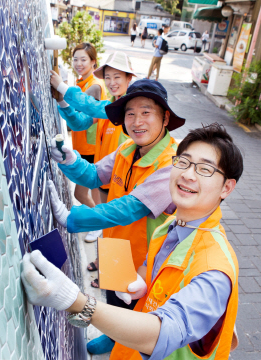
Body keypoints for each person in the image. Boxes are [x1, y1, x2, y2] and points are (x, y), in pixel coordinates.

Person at [21, 123, 242, 359]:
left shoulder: (214, 271)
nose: (188, 174)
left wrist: (74, 301)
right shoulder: (170, 226)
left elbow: (163, 333)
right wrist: (144, 282)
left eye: (205, 169)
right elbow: (152, 268)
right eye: (184, 162)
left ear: (226, 187)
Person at [47, 80, 185, 316]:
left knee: (135, 314)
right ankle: (111, 339)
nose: (137, 121)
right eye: (130, 113)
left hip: (144, 260)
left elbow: (130, 208)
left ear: (165, 118)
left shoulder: (171, 164)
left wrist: (73, 217)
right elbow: (93, 175)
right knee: (113, 300)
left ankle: (119, 345)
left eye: (146, 112)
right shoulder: (128, 148)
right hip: (115, 243)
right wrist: (70, 161)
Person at [51, 51, 135, 283]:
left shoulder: (126, 109)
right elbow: (78, 123)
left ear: (129, 79)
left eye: (118, 77)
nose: (112, 82)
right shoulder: (108, 107)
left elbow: (91, 106)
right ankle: (104, 263)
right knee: (109, 226)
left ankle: (112, 277)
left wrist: (65, 88)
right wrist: (61, 101)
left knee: (117, 228)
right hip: (104, 178)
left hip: (122, 182)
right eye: (108, 77)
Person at [66, 43, 106, 236]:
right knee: (96, 193)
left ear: (93, 62)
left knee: (80, 193)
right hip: (88, 146)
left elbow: (78, 119)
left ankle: (98, 225)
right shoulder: (83, 82)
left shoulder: (94, 87)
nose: (78, 63)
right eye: (75, 59)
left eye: (83, 60)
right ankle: (101, 224)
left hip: (90, 148)